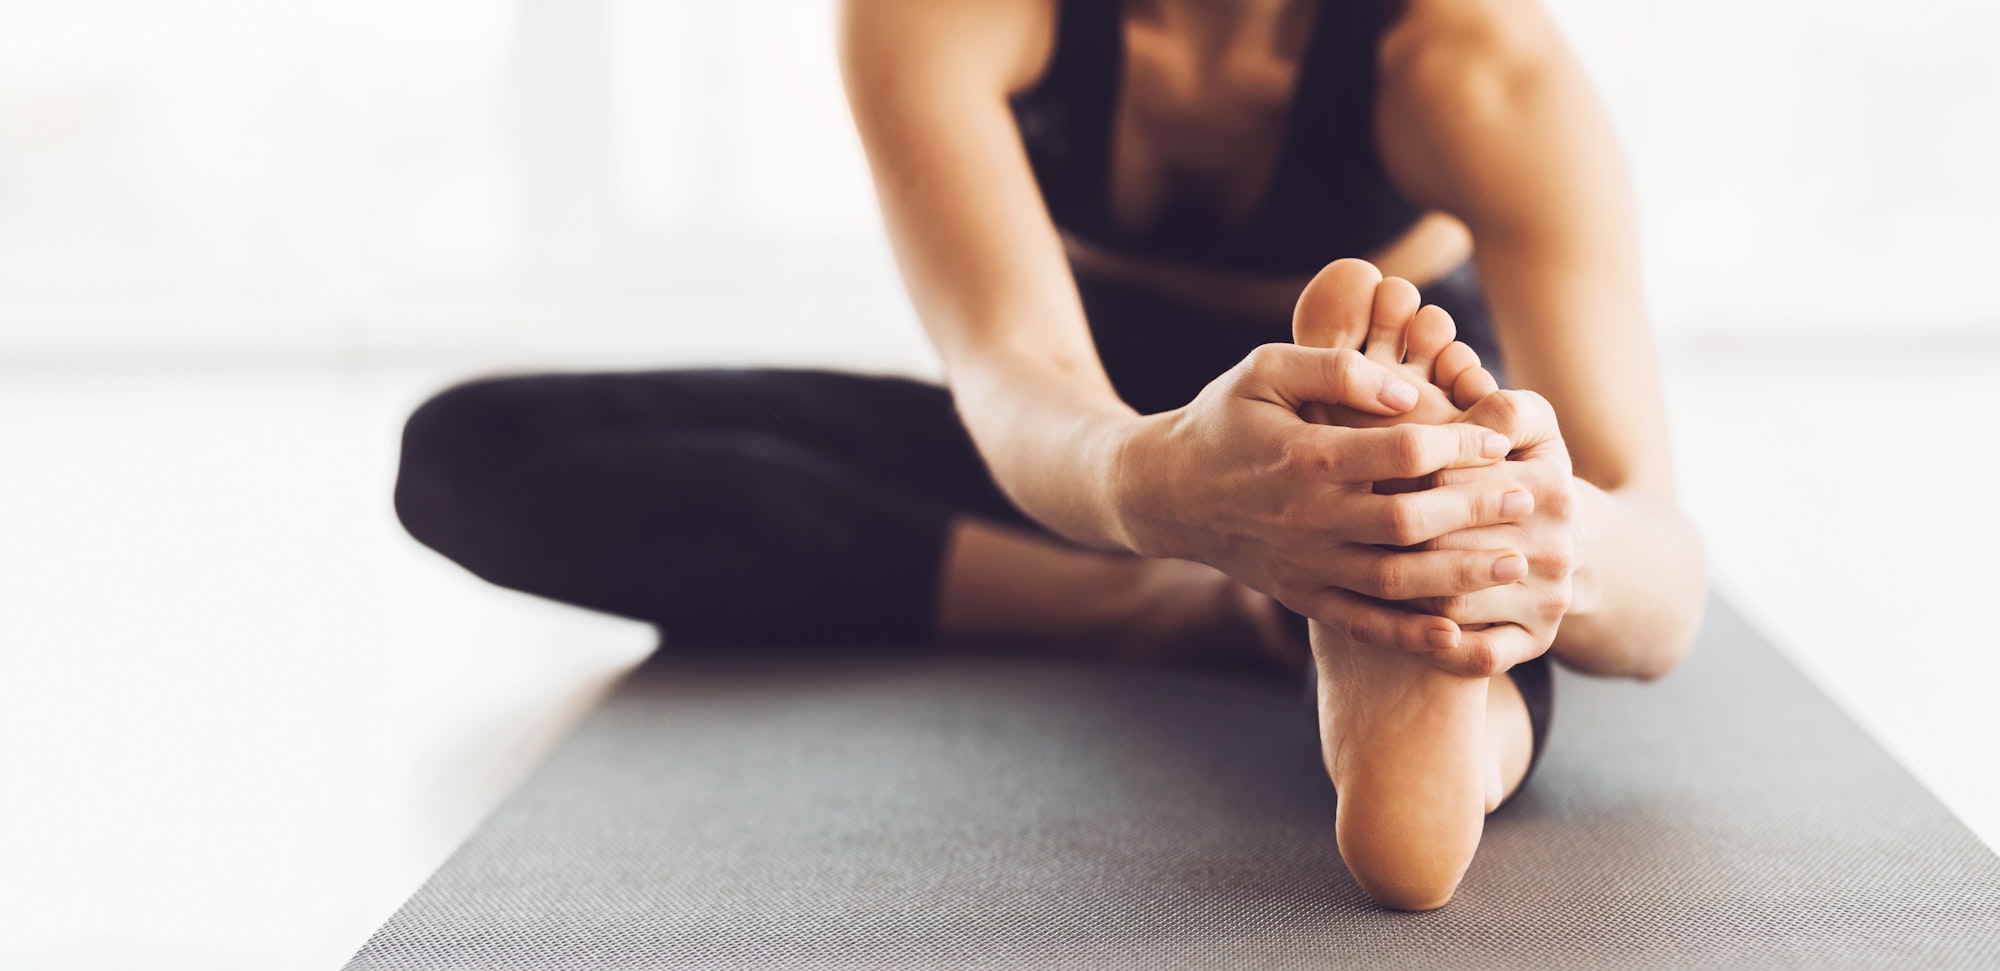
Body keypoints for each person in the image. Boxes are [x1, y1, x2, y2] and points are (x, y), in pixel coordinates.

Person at [393, 0, 1705, 910]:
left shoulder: (1477, 63)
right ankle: (1176, 610)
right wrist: (1168, 495)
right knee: (475, 451)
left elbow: (1663, 572)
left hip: (1393, 407)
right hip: (1100, 439)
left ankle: (1430, 699)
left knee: (1442, 550)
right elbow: (1020, 381)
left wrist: (1555, 544)